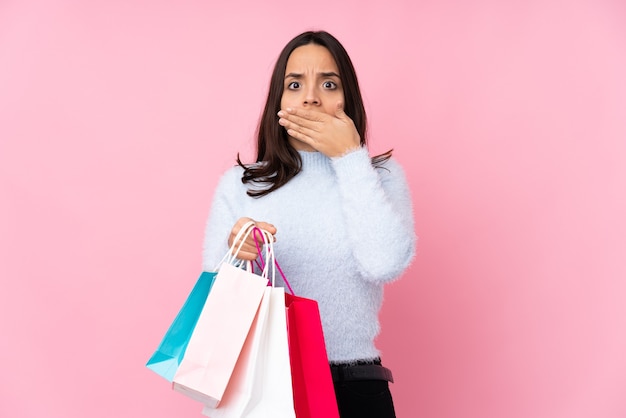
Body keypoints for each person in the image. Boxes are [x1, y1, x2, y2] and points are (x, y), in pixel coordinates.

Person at [202, 30, 416, 418]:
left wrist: (350, 158)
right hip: (263, 387)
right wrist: (236, 256)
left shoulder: (379, 177)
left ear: (347, 98)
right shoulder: (242, 185)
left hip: (356, 388)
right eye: (295, 84)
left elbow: (384, 263)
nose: (311, 97)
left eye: (329, 84)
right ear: (278, 101)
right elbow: (217, 307)